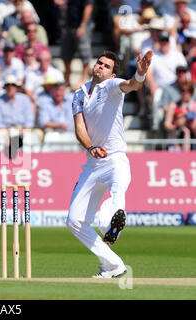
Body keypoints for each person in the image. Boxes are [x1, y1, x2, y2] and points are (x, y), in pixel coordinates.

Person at [67, 49, 153, 278]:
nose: (100, 67)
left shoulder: (113, 86)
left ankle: (109, 225)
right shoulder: (80, 93)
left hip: (115, 158)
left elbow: (131, 85)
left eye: (106, 66)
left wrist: (141, 76)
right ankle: (113, 265)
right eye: (99, 63)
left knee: (118, 194)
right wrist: (91, 147)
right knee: (74, 221)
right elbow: (79, 128)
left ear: (112, 73)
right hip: (93, 163)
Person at [60, 0, 94, 89]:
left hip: (81, 25)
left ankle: (83, 79)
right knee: (66, 53)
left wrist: (83, 25)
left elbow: (89, 7)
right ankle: (67, 79)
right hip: (68, 25)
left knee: (84, 52)